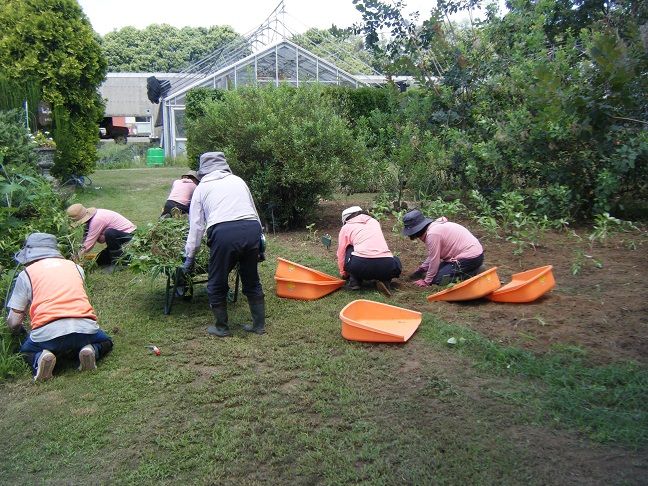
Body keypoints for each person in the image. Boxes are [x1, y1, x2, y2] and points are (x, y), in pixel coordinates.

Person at [6, 233, 113, 381]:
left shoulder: (26, 275)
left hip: (48, 334)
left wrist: (16, 333)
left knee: (25, 352)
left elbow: (15, 320)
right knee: (106, 341)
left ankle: (40, 358)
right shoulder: (75, 267)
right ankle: (91, 349)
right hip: (84, 327)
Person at [183, 152, 266, 337]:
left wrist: (190, 256)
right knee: (251, 277)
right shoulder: (238, 180)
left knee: (217, 280)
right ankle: (259, 326)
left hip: (224, 233)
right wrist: (259, 245)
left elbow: (196, 227)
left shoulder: (202, 188)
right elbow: (253, 211)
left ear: (203, 171)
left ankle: (221, 328)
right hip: (251, 228)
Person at [401, 209, 484, 287]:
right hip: (467, 255)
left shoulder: (433, 234)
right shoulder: (433, 227)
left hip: (471, 257)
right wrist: (421, 269)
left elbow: (434, 259)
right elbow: (433, 255)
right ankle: (470, 269)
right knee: (435, 273)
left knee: (438, 280)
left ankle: (474, 272)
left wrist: (426, 282)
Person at [337, 206, 402, 296]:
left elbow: (341, 253)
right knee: (395, 260)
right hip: (387, 266)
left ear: (347, 219)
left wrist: (344, 273)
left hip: (360, 266)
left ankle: (355, 281)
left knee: (349, 248)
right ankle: (385, 280)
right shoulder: (374, 222)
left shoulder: (346, 227)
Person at [67, 203, 136, 269]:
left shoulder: (96, 220)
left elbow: (88, 245)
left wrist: (74, 257)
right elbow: (101, 240)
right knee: (98, 260)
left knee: (110, 232)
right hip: (118, 241)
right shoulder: (93, 218)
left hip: (130, 238)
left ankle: (117, 264)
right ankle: (124, 257)